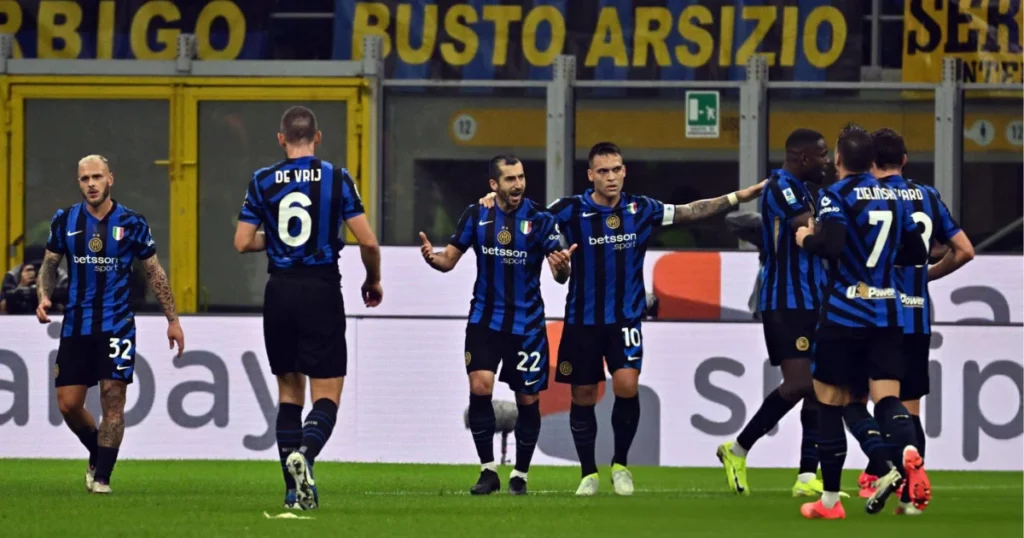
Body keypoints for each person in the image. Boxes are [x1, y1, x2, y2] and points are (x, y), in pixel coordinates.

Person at [482, 141, 765, 496]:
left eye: (616, 169)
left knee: (627, 385)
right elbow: (528, 220)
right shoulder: (568, 211)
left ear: (624, 171)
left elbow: (691, 211)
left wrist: (740, 196)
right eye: (603, 171)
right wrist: (492, 202)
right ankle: (589, 473)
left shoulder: (641, 208)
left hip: (625, 319)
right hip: (582, 321)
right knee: (583, 394)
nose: (611, 177)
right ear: (591, 176)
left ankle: (620, 465)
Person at [234, 106, 382, 510]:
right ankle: (307, 455)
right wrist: (373, 280)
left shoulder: (262, 180)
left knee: (288, 394)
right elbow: (367, 242)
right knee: (327, 393)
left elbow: (243, 242)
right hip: (320, 290)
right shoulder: (336, 177)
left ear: (281, 139)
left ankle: (291, 489)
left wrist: (283, 245)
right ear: (317, 137)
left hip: (280, 292)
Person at [794, 124, 930, 520]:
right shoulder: (895, 197)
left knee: (832, 402)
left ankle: (833, 501)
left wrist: (805, 237)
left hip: (845, 314)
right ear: (872, 162)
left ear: (838, 160)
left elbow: (831, 246)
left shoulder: (834, 195)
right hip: (889, 314)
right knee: (887, 399)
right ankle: (906, 453)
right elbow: (915, 250)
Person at [419, 155, 572, 496]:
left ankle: (520, 473)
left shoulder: (541, 220)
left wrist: (562, 267)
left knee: (528, 399)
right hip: (485, 320)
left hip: (527, 325)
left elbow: (561, 276)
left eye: (521, 177)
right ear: (494, 184)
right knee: (480, 387)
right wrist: (434, 259)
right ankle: (488, 470)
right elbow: (449, 260)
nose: (517, 184)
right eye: (509, 179)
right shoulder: (477, 215)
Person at [35, 154, 185, 494]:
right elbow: (49, 263)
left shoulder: (131, 222)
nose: (91, 184)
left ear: (110, 179)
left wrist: (172, 320)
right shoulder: (65, 220)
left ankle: (102, 478)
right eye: (85, 178)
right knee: (68, 405)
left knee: (112, 398)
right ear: (79, 183)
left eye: (97, 177)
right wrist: (43, 295)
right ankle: (97, 454)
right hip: (76, 325)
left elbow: (154, 272)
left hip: (117, 324)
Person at [852, 128, 974, 512]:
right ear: (904, 160)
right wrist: (927, 274)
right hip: (916, 314)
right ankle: (910, 498)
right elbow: (964, 251)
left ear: (870, 163)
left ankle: (878, 467)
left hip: (874, 314)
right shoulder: (927, 195)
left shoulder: (868, 197)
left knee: (854, 398)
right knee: (910, 407)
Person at [717, 129, 831, 497]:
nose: (827, 162)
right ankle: (738, 449)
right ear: (802, 158)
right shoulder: (783, 185)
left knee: (818, 388)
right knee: (801, 383)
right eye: (822, 155)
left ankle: (805, 478)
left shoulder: (804, 189)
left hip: (813, 298)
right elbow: (810, 229)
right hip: (785, 300)